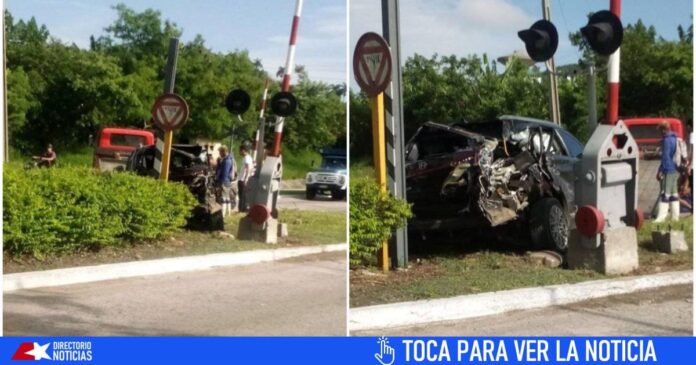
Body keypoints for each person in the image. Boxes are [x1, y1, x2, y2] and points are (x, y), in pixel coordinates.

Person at [654, 121, 680, 222]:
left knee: (665, 193)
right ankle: (675, 217)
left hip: (667, 169)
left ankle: (661, 218)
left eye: (660, 130)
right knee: (674, 194)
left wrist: (660, 170)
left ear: (663, 129)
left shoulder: (666, 140)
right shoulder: (674, 138)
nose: (660, 133)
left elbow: (665, 157)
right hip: (674, 168)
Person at [215, 146, 235, 217]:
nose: (219, 153)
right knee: (227, 198)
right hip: (228, 181)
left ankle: (223, 214)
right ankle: (228, 213)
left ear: (224, 151)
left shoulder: (226, 161)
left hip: (224, 181)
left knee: (223, 198)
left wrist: (220, 181)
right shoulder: (230, 159)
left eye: (220, 152)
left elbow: (225, 173)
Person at [238, 145, 254, 212]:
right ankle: (243, 208)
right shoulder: (246, 158)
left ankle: (242, 209)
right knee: (242, 194)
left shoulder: (247, 158)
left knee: (242, 195)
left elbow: (248, 169)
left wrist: (245, 179)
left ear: (243, 150)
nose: (239, 152)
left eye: (240, 151)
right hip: (242, 178)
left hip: (243, 179)